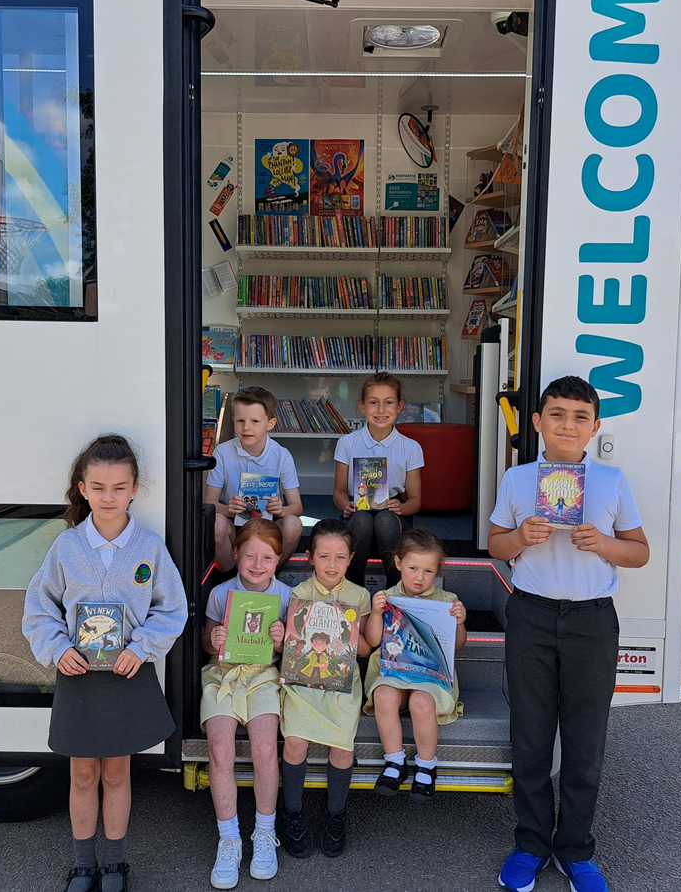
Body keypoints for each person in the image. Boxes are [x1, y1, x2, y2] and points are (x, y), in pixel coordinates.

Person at [489, 377, 650, 892]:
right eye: (556, 414)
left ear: (595, 427)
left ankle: (576, 849)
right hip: (532, 616)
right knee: (531, 738)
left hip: (591, 621)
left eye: (580, 417)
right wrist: (520, 537)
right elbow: (495, 545)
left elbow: (639, 551)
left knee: (585, 742)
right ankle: (531, 844)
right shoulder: (517, 479)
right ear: (536, 423)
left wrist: (603, 543)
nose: (567, 425)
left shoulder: (611, 479)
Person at [23, 434, 188, 892]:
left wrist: (143, 647)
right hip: (79, 678)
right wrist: (58, 649)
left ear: (135, 488)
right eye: (98, 487)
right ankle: (82, 864)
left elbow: (172, 609)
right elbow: (39, 608)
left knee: (117, 772)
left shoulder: (148, 548)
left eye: (119, 487)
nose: (108, 497)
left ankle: (115, 864)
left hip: (127, 674)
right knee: (82, 773)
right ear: (82, 489)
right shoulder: (66, 548)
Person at [199, 519, 292, 889]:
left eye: (267, 557)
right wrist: (214, 637)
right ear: (235, 554)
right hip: (223, 675)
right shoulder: (221, 593)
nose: (257, 564)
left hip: (264, 676)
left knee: (266, 748)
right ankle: (229, 838)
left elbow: (293, 653)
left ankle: (265, 834)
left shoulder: (286, 595)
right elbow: (206, 643)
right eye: (250, 555)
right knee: (220, 750)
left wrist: (283, 640)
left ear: (279, 559)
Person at [277, 518, 371, 859]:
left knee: (343, 749)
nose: (332, 565)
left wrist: (349, 635)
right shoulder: (299, 595)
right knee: (296, 742)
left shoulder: (360, 596)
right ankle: (293, 813)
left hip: (342, 683)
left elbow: (365, 649)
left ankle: (336, 816)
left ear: (351, 559)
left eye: (340, 557)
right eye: (324, 556)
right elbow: (291, 648)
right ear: (310, 558)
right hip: (303, 681)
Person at [362, 528, 466, 801]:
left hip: (430, 677)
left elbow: (457, 645)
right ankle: (395, 761)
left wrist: (460, 622)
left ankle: (426, 764)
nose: (420, 577)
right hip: (394, 671)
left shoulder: (447, 601)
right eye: (412, 568)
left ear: (437, 571)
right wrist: (376, 612)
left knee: (421, 702)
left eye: (428, 571)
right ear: (397, 563)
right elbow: (372, 640)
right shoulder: (387, 597)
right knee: (383, 695)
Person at [333, 373, 424, 588]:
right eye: (374, 403)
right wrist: (345, 505)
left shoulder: (410, 447)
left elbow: (415, 501)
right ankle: (353, 590)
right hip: (357, 517)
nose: (381, 410)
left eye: (389, 403)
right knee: (363, 519)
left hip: (393, 522)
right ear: (362, 406)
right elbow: (338, 492)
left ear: (399, 406)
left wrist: (401, 508)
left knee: (383, 519)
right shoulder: (347, 443)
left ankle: (397, 590)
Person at [205, 387, 303, 573]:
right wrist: (228, 509)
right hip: (233, 526)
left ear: (270, 423)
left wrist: (281, 510)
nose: (246, 427)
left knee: (293, 524)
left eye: (255, 421)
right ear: (233, 420)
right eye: (240, 421)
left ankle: (269, 574)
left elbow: (297, 508)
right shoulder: (222, 453)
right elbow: (209, 503)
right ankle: (227, 574)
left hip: (268, 528)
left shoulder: (282, 456)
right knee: (216, 522)